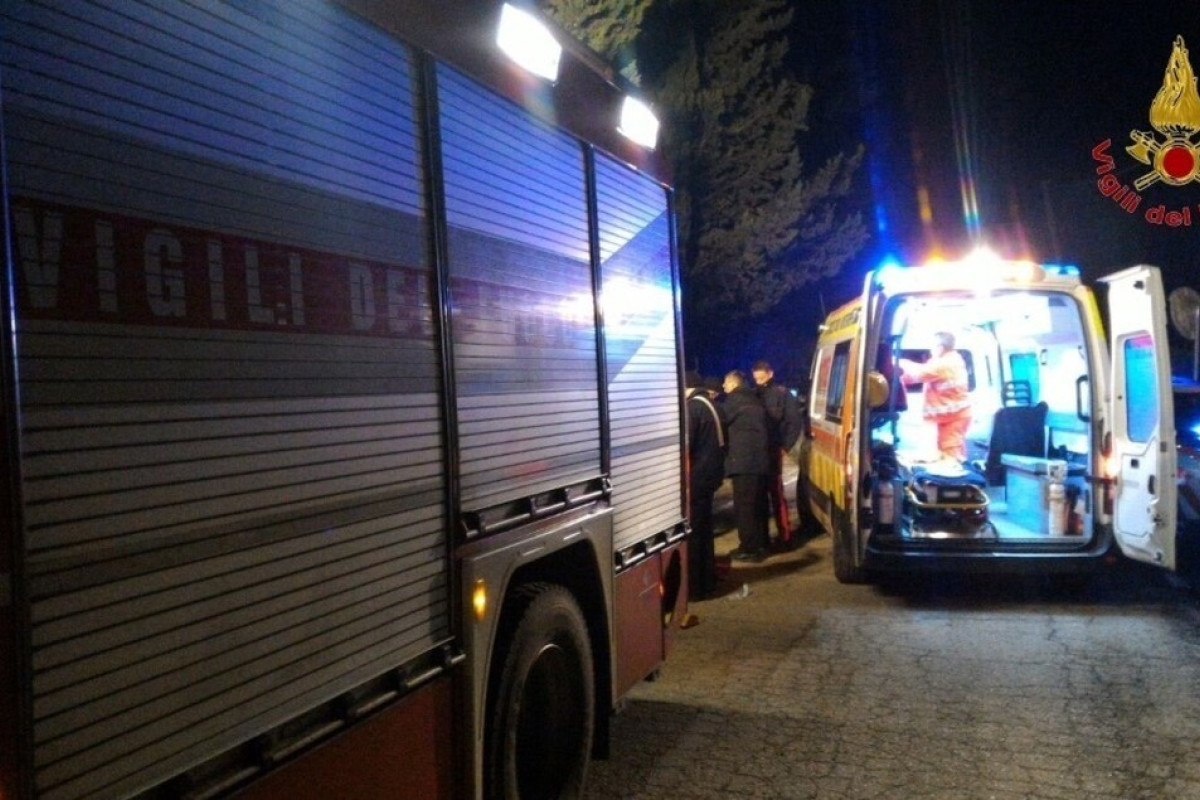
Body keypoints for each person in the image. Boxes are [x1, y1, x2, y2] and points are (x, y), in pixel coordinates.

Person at [898, 331, 972, 463]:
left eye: (932, 346)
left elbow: (919, 373)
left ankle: (953, 473)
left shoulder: (944, 364)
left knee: (951, 455)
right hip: (952, 415)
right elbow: (920, 372)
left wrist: (899, 363)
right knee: (949, 450)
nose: (931, 350)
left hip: (954, 417)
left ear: (940, 348)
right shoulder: (948, 360)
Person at [752, 360, 803, 550]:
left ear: (770, 374)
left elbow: (794, 422)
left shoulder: (782, 394)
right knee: (758, 495)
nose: (759, 382)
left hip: (773, 449)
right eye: (756, 379)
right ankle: (763, 537)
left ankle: (785, 536)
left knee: (776, 493)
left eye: (761, 378)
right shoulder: (753, 394)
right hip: (756, 451)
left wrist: (785, 446)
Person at [721, 370, 771, 562]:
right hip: (761, 461)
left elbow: (721, 424)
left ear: (734, 384)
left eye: (726, 383)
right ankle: (762, 544)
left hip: (743, 463)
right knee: (758, 505)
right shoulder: (756, 400)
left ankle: (749, 548)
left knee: (745, 508)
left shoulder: (733, 402)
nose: (723, 386)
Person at [685, 371, 726, 600]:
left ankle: (696, 587)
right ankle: (708, 579)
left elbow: (686, 444)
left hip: (697, 478)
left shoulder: (693, 409)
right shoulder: (712, 405)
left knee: (695, 534)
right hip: (710, 476)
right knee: (705, 530)